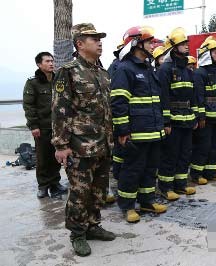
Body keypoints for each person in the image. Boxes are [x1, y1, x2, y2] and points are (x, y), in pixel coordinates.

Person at [52, 23, 115, 257]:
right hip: (80, 146)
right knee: (80, 193)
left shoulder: (101, 72)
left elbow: (106, 110)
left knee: (99, 190)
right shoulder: (68, 71)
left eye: (100, 38)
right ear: (80, 43)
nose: (100, 42)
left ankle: (93, 225)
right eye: (94, 38)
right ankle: (77, 234)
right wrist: (61, 145)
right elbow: (60, 110)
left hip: (103, 143)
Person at [110, 26, 168, 223]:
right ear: (136, 43)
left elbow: (156, 102)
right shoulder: (124, 69)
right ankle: (127, 206)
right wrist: (122, 130)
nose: (153, 46)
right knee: (132, 170)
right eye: (150, 42)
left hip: (153, 132)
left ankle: (147, 201)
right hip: (136, 133)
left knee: (150, 169)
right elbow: (119, 102)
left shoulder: (149, 69)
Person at [156, 27, 197, 201]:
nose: (186, 46)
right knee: (170, 154)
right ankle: (166, 187)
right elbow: (163, 97)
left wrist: (194, 115)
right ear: (173, 47)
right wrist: (166, 122)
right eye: (182, 43)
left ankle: (180, 184)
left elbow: (193, 95)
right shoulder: (166, 69)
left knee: (185, 153)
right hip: (173, 120)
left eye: (186, 43)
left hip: (187, 119)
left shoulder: (187, 70)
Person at [23, 52, 65, 198]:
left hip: (58, 127)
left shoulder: (58, 80)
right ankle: (43, 185)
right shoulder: (33, 82)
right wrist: (33, 125)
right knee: (42, 157)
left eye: (52, 60)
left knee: (56, 156)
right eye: (47, 61)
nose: (51, 63)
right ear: (39, 64)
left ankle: (55, 183)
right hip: (42, 127)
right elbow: (29, 105)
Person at [190, 36, 216, 184]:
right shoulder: (200, 73)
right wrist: (201, 117)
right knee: (203, 146)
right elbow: (198, 97)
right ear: (207, 54)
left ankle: (210, 172)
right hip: (206, 119)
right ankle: (197, 174)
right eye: (215, 52)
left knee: (214, 146)